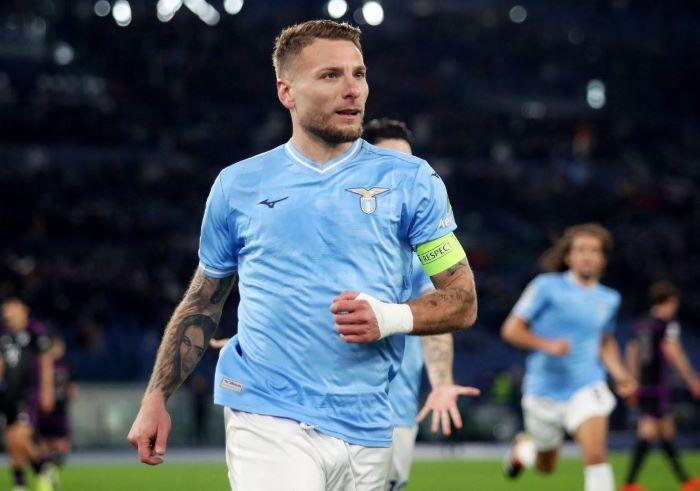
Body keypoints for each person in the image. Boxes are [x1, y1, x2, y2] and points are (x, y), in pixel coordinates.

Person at [128, 20, 478, 491]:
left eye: (359, 73)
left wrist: (390, 317)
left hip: (369, 422)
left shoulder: (412, 180)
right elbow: (203, 301)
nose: (353, 89)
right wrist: (156, 397)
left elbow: (462, 299)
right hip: (267, 413)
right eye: (331, 75)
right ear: (286, 92)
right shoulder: (237, 186)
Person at [363, 118, 480, 491]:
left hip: (392, 408)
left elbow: (441, 307)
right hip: (316, 405)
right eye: (390, 162)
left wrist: (442, 383)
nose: (404, 173)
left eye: (410, 163)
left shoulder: (417, 251)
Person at [500, 223, 637, 491]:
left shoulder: (609, 299)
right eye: (581, 249)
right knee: (546, 466)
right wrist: (546, 345)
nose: (587, 256)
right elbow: (511, 329)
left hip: (586, 385)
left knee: (596, 454)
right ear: (568, 256)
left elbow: (605, 341)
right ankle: (524, 450)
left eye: (594, 250)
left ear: (603, 259)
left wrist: (621, 374)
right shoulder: (545, 287)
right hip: (543, 390)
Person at [622, 281, 700, 491]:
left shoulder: (641, 324)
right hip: (657, 386)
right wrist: (692, 379)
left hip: (644, 386)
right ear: (670, 302)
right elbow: (674, 352)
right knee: (648, 432)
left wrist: (631, 380)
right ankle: (629, 483)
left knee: (666, 432)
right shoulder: (667, 325)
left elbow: (631, 352)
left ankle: (686, 481)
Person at [0, 298, 55, 491]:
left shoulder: (34, 331)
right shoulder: (4, 334)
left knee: (21, 437)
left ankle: (43, 467)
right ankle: (20, 484)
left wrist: (47, 390)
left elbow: (46, 362)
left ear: (23, 310)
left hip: (27, 394)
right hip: (7, 396)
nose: (8, 314)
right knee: (11, 442)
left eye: (12, 309)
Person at [38, 332, 76, 489]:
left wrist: (69, 398)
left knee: (62, 445)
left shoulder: (67, 365)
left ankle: (50, 469)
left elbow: (72, 387)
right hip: (45, 410)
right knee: (44, 443)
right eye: (57, 346)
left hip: (61, 409)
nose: (60, 349)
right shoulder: (42, 365)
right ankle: (47, 473)